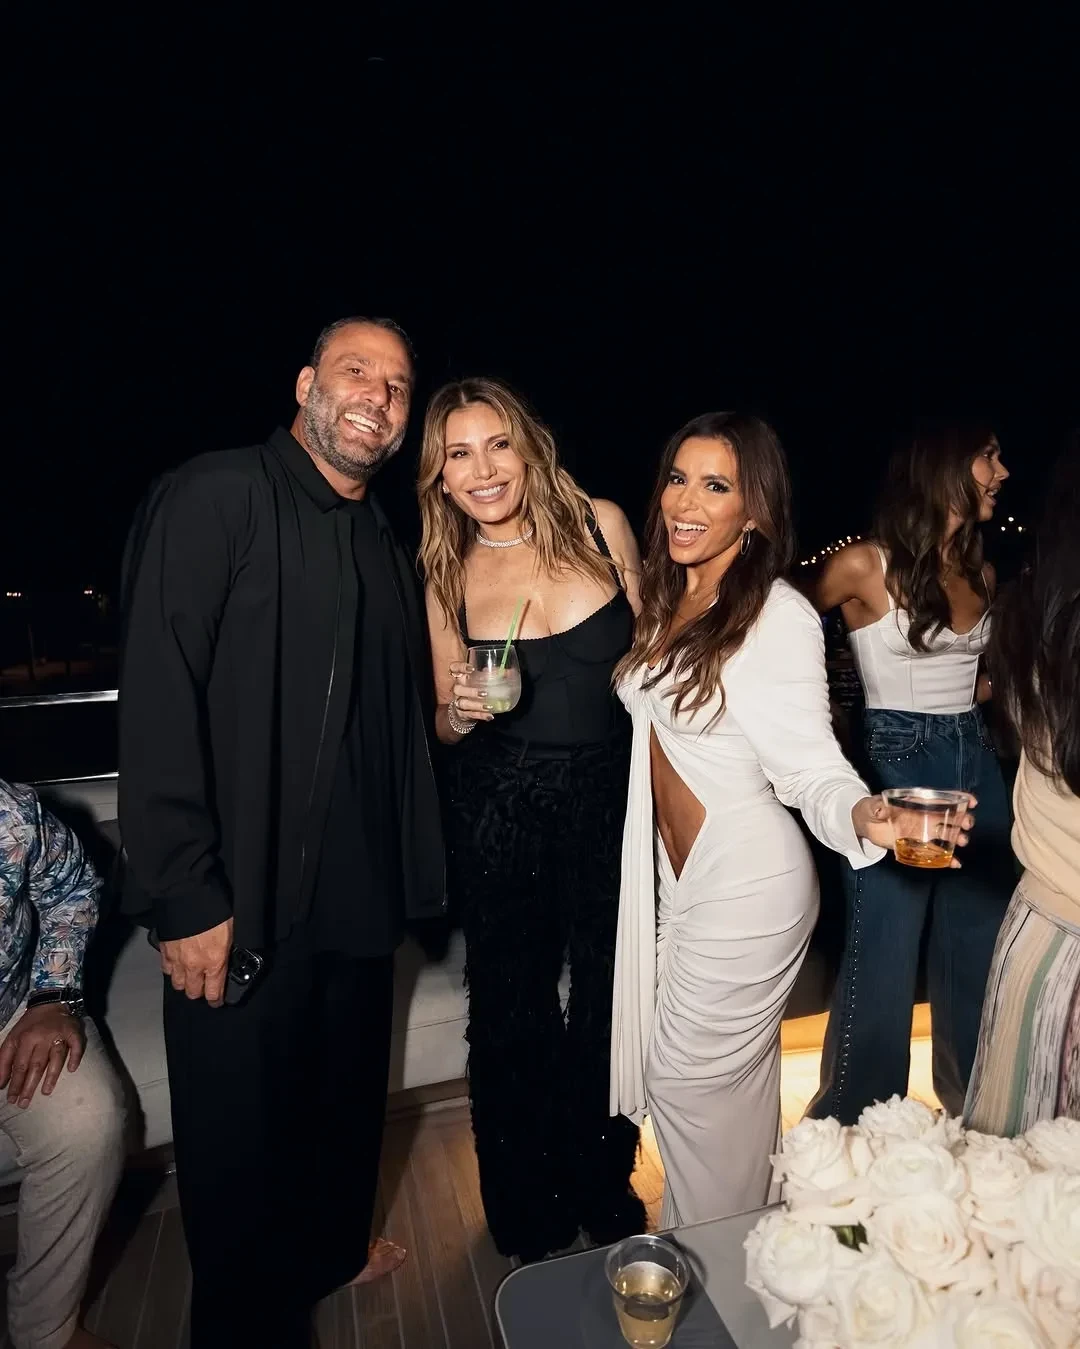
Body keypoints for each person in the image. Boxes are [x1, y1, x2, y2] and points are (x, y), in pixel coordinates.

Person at [118, 317, 445, 1347]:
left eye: (397, 385)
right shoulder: (216, 494)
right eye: (357, 371)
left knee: (340, 1111)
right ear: (306, 385)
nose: (378, 395)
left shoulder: (381, 540)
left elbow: (393, 719)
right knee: (238, 1155)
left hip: (357, 904)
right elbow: (158, 697)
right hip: (240, 902)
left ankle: (331, 1249)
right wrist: (184, 892)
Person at [608, 413, 945, 1227]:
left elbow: (811, 764)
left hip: (749, 881)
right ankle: (752, 1249)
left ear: (754, 511)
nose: (686, 501)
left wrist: (865, 812)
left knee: (684, 1084)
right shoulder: (670, 594)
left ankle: (709, 1255)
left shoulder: (774, 613)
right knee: (726, 1094)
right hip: (679, 880)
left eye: (715, 485)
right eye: (678, 478)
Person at [419, 377, 647, 1261]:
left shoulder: (602, 524)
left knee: (607, 997)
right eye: (459, 453)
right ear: (440, 475)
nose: (483, 469)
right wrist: (458, 711)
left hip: (609, 797)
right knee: (512, 1008)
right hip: (501, 804)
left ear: (528, 446)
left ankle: (603, 1175)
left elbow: (656, 655)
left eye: (497, 444)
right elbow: (444, 721)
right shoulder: (444, 570)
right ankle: (526, 1200)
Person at [805, 423, 1014, 1124]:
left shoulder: (982, 573)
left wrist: (1000, 689)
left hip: (975, 760)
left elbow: (970, 677)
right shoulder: (863, 563)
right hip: (897, 763)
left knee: (976, 950)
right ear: (946, 464)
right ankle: (853, 1129)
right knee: (885, 951)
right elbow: (775, 625)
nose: (1002, 472)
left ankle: (974, 1117)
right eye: (988, 456)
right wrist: (819, 717)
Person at [965, 442, 1080, 1133]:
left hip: (1041, 933)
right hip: (1052, 920)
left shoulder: (1023, 608)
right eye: (987, 455)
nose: (1002, 471)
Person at [0, 779, 125, 1349]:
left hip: (11, 1011)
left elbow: (71, 886)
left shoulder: (9, 812)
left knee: (84, 1122)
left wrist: (53, 996)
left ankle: (45, 1330)